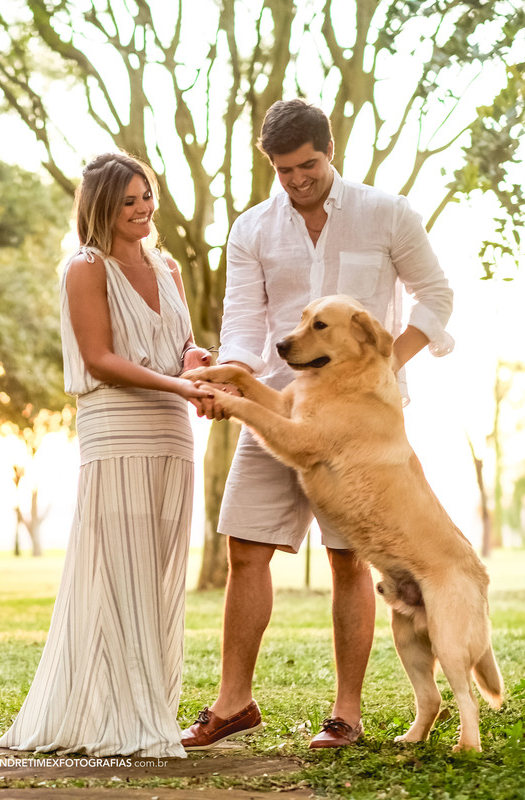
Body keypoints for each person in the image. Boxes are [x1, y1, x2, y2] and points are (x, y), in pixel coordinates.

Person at [181, 99, 455, 751]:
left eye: (308, 166)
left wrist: (383, 366)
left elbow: (436, 295)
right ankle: (233, 702)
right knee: (244, 547)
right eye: (284, 171)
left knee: (346, 559)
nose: (298, 180)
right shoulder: (251, 228)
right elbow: (246, 320)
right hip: (279, 407)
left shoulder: (387, 213)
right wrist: (231, 373)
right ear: (271, 165)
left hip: (362, 426)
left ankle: (346, 715)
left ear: (329, 151)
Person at [0, 152, 212, 758]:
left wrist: (200, 367)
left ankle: (150, 709)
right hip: (117, 432)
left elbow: (184, 346)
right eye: (129, 202)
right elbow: (100, 359)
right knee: (120, 572)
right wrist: (181, 386)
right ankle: (118, 717)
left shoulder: (168, 265)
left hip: (173, 434)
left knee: (160, 574)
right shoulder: (85, 268)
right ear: (102, 208)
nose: (143, 210)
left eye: (148, 197)